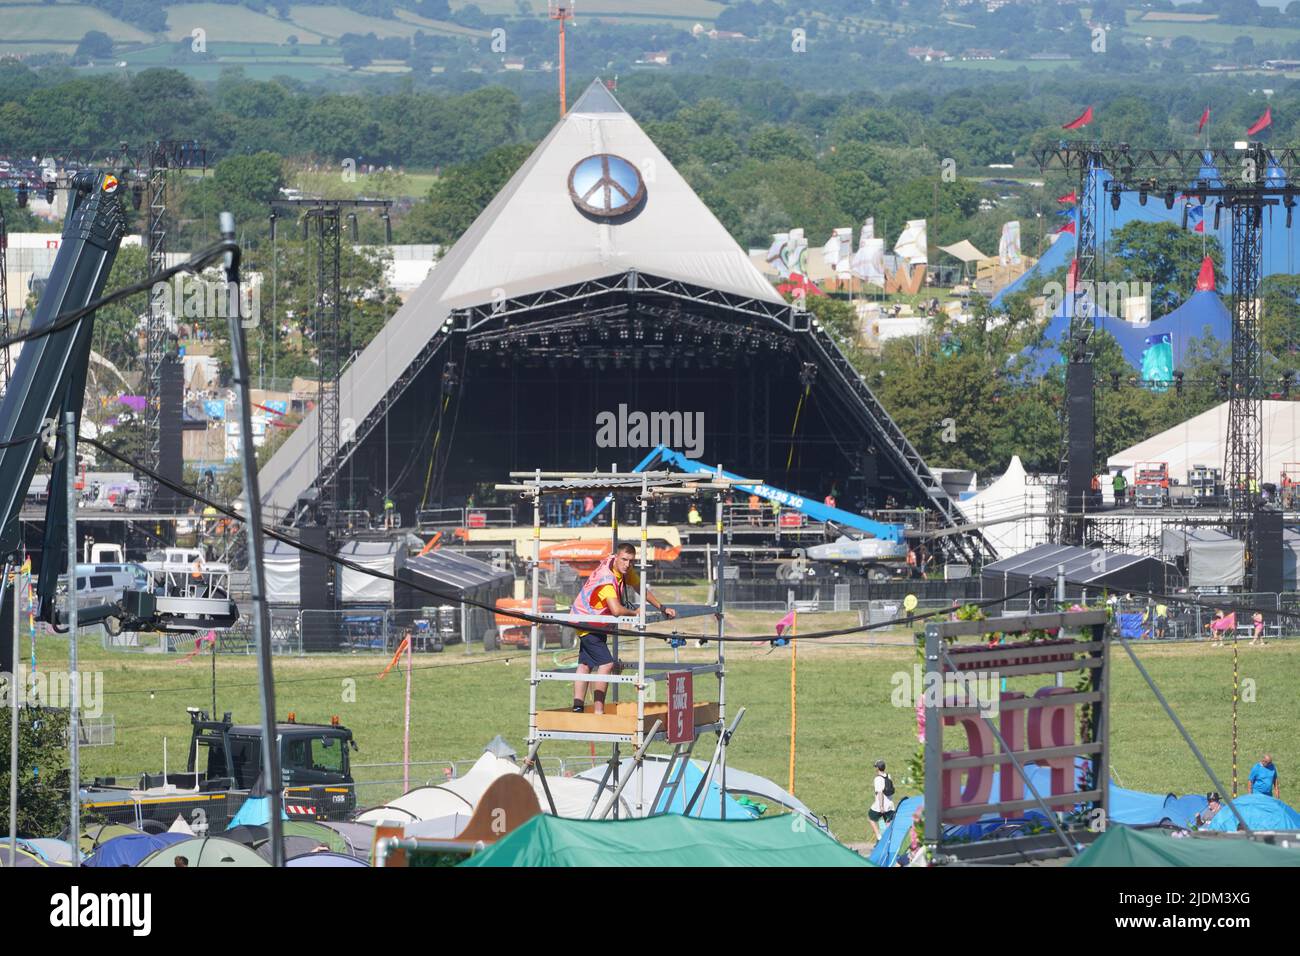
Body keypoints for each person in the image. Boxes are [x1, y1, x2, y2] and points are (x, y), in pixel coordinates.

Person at [571, 543, 676, 715]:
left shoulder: (622, 569)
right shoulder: (607, 579)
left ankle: (578, 707)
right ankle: (599, 711)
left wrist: (662, 607)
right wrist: (634, 612)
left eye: (631, 561)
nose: (628, 564)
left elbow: (640, 588)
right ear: (616, 557)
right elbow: (617, 610)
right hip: (586, 621)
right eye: (624, 560)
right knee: (606, 663)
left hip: (595, 622)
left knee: (585, 663)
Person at [868, 759, 896, 842]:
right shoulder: (888, 776)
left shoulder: (878, 779)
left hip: (881, 805)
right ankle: (889, 839)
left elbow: (880, 793)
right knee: (888, 822)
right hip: (890, 804)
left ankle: (879, 837)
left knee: (871, 818)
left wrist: (881, 806)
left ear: (877, 768)